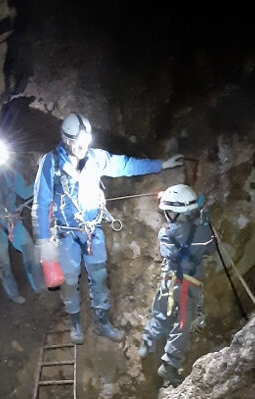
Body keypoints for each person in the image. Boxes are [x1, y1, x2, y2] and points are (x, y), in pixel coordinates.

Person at [33, 112, 183, 344]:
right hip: (66, 235)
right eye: (77, 144)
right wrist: (43, 242)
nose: (82, 148)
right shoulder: (50, 164)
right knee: (70, 280)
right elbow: (42, 204)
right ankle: (75, 324)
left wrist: (160, 165)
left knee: (99, 276)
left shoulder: (96, 158)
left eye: (85, 143)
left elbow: (125, 164)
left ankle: (102, 323)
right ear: (67, 140)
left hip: (93, 231)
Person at [138, 184, 216, 386]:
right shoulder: (202, 234)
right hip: (186, 287)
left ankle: (148, 340)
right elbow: (210, 248)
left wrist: (193, 209)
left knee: (161, 312)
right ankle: (170, 365)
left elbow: (181, 228)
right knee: (182, 324)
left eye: (168, 212)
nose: (166, 215)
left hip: (168, 281)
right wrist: (204, 221)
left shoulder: (165, 233)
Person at [0, 167, 44, 304]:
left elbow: (24, 193)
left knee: (31, 252)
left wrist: (40, 184)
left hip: (13, 222)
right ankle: (13, 294)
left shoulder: (11, 174)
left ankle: (39, 286)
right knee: (3, 263)